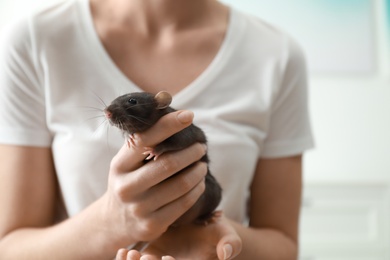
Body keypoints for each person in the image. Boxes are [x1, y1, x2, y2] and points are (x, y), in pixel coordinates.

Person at [0, 0, 314, 259]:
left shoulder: (278, 54)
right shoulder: (35, 40)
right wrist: (112, 223)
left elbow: (283, 245)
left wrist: (213, 243)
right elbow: (10, 247)